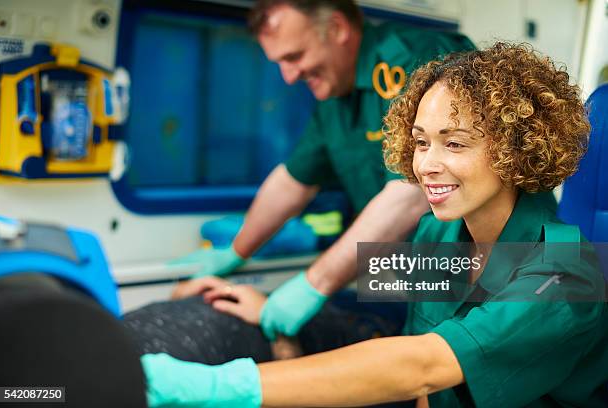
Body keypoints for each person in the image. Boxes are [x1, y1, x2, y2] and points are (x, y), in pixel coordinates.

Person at [141, 42, 608, 407]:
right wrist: (269, 309)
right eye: (422, 143)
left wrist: (218, 386)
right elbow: (402, 331)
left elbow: (423, 366)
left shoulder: (566, 277)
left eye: (456, 144)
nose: (426, 164)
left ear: (517, 150)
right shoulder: (435, 234)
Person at [123, 0, 476, 362]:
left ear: (337, 30)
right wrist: (235, 252)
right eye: (279, 63)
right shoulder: (335, 99)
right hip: (406, 273)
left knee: (425, 358)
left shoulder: (419, 59)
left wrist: (312, 285)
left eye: (294, 56)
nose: (288, 77)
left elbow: (410, 191)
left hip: (471, 266)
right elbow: (293, 181)